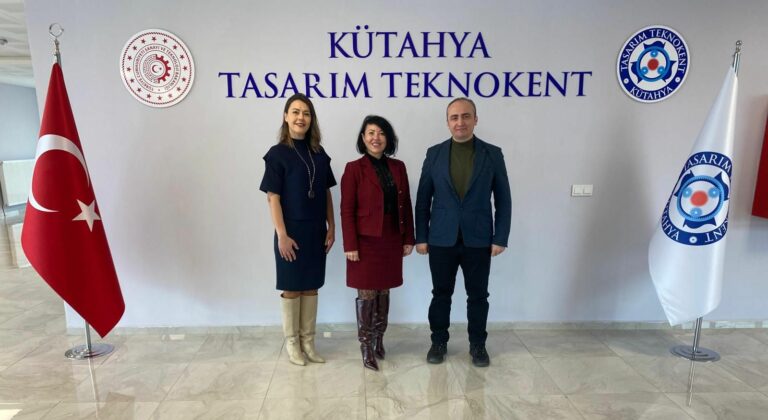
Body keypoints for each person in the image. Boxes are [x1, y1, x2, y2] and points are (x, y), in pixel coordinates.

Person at [414, 97, 511, 367]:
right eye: (454, 117)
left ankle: (478, 345)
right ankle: (438, 342)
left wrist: (500, 237)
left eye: (466, 116)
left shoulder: (492, 154)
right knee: (440, 294)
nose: (460, 122)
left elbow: (503, 199)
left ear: (475, 120)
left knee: (478, 296)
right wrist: (421, 237)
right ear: (447, 122)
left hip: (478, 239)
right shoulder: (434, 154)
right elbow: (423, 199)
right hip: (440, 238)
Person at [260, 93, 336, 366]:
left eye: (306, 113)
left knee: (311, 286)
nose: (300, 117)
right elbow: (273, 198)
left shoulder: (319, 153)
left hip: (315, 231)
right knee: (292, 287)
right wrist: (282, 235)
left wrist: (332, 227)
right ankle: (292, 343)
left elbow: (326, 192)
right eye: (295, 112)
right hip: (290, 232)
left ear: (311, 119)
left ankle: (308, 342)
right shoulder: (277, 154)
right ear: (286, 116)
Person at [340, 115, 415, 371]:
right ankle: (366, 346)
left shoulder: (398, 167)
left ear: (388, 139)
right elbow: (346, 210)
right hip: (364, 243)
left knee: (384, 291)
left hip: (391, 238)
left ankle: (379, 340)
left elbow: (406, 205)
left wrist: (408, 238)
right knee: (367, 293)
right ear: (363, 138)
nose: (376, 137)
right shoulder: (354, 169)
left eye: (381, 133)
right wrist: (350, 244)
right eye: (371, 132)